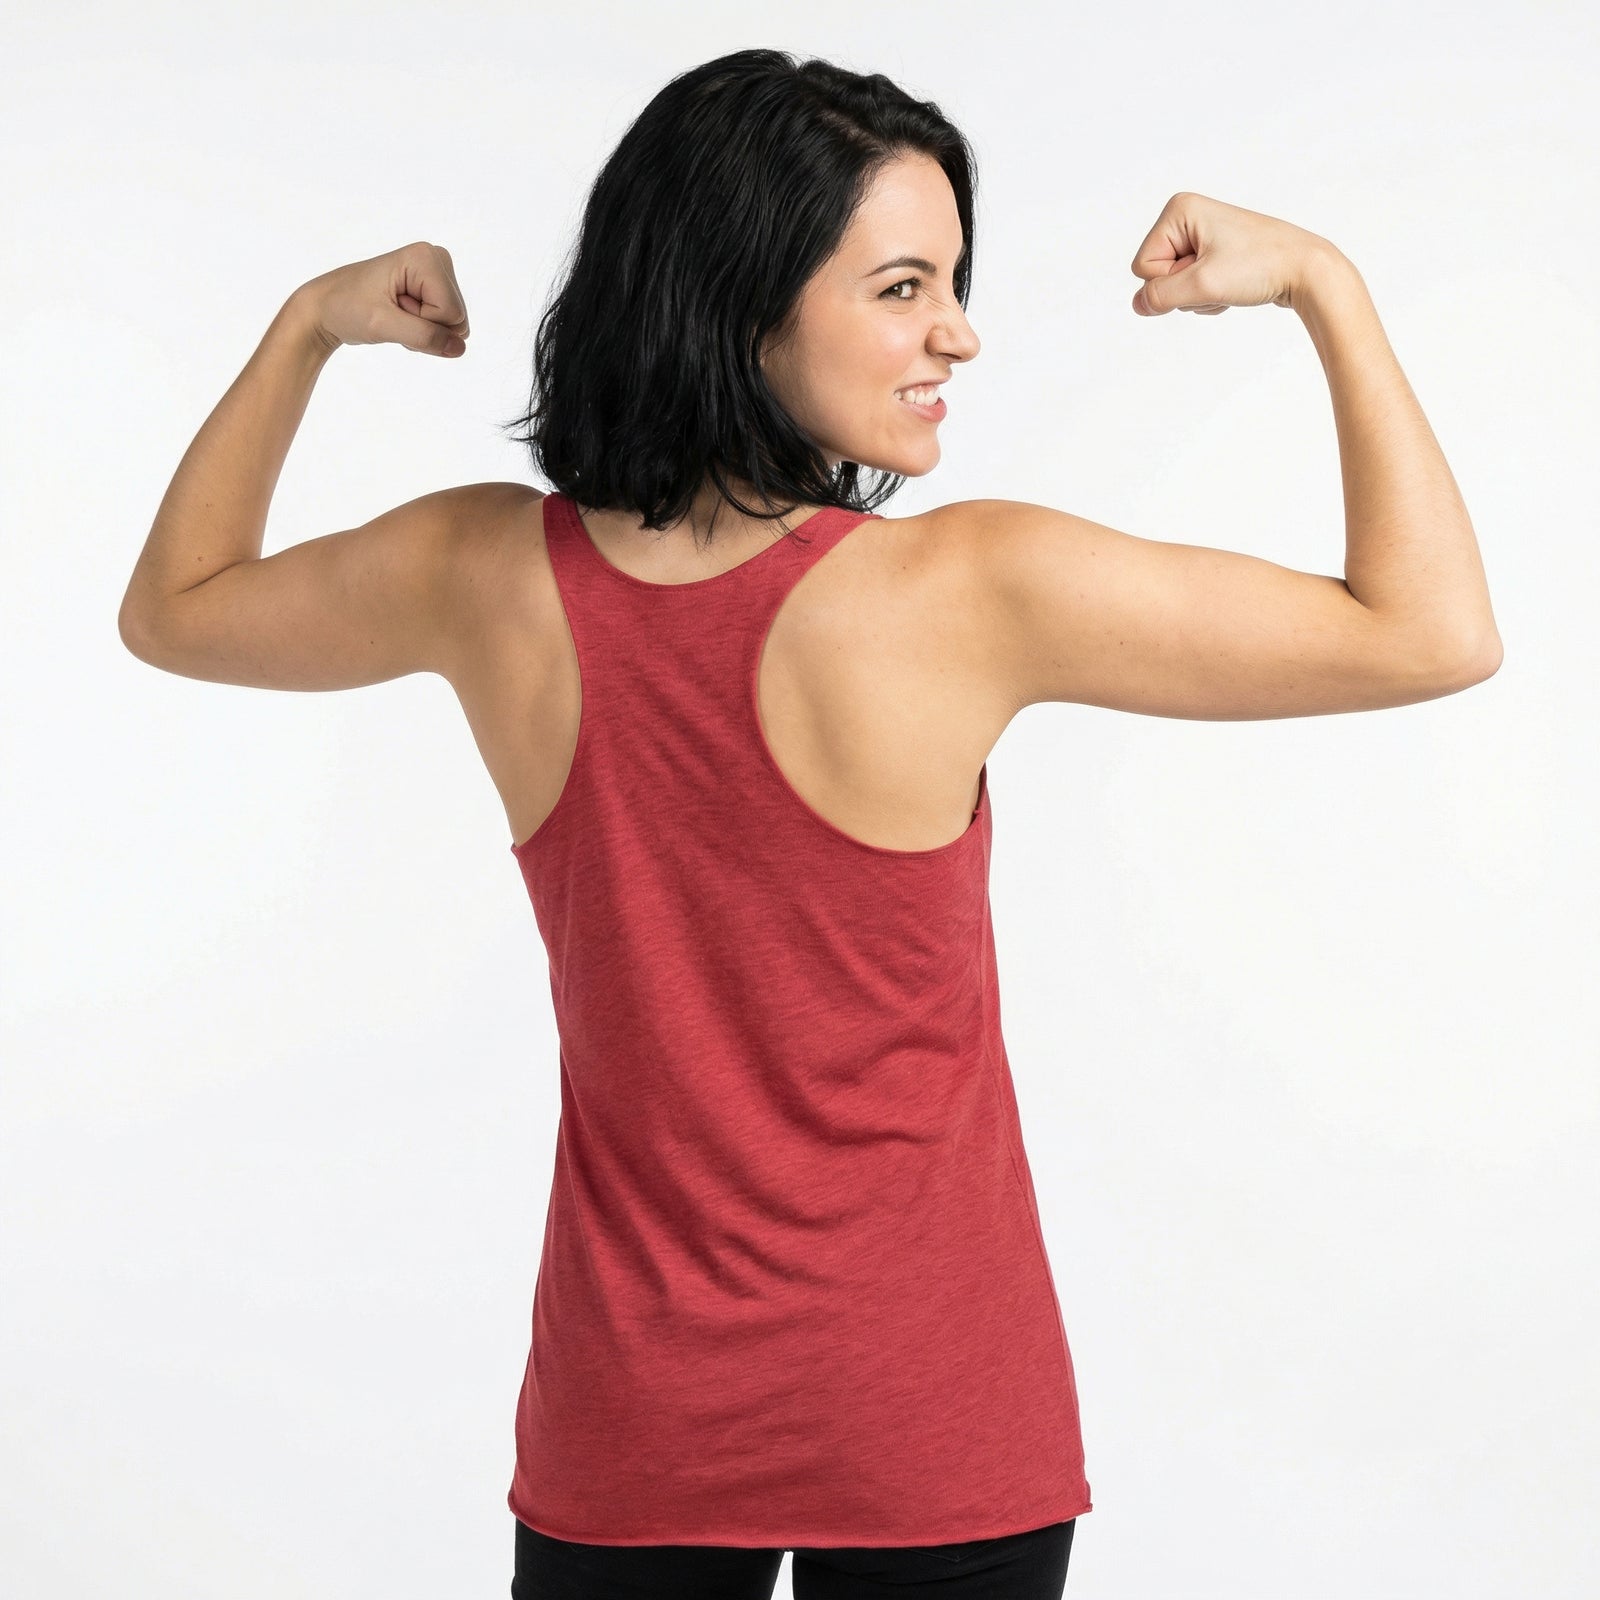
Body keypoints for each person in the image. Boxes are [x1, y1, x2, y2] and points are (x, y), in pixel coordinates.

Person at [117, 46, 1501, 1600]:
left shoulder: (481, 575)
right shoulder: (968, 590)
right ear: (744, 297)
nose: (957, 336)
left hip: (631, 1425)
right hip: (936, 1426)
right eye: (904, 287)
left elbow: (174, 611)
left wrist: (309, 326)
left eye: (952, 283)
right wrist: (1326, 285)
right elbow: (1431, 630)